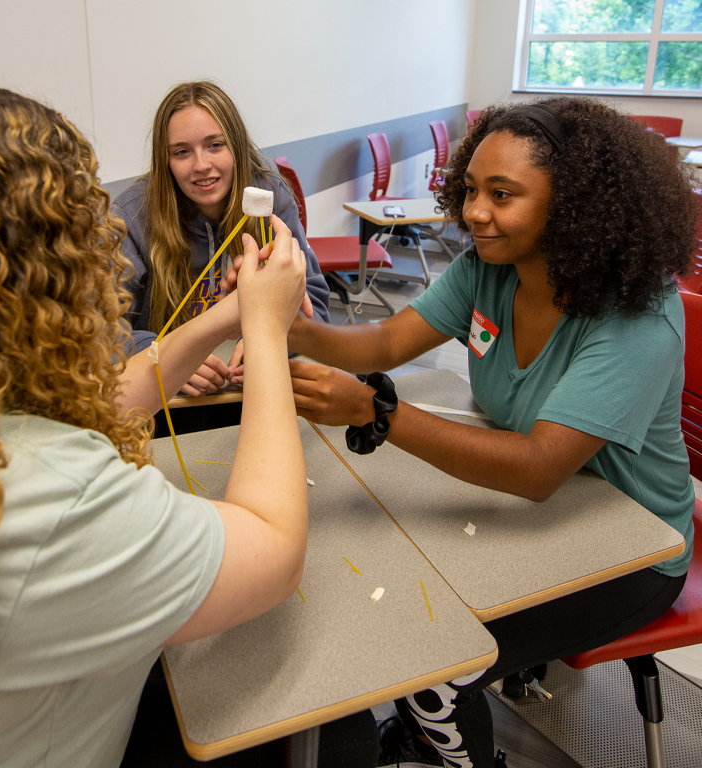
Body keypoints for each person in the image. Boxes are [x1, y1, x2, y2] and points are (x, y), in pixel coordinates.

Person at [0, 77, 378, 768]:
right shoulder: (58, 495)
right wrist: (261, 333)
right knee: (329, 724)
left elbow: (100, 400)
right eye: (86, 232)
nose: (107, 246)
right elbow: (272, 552)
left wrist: (228, 316)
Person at [285, 97, 698, 768]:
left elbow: (537, 467)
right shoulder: (489, 267)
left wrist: (374, 413)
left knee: (434, 667)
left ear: (573, 205)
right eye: (471, 188)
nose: (474, 211)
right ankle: (428, 740)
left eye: (501, 194)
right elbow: (390, 338)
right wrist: (295, 328)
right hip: (547, 512)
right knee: (388, 591)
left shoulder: (635, 318)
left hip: (634, 545)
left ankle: (453, 746)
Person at [111, 80, 331, 397]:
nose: (202, 166)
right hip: (170, 401)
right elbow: (97, 326)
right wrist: (161, 355)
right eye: (182, 152)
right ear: (166, 160)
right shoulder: (132, 217)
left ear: (236, 146)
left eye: (215, 145)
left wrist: (271, 340)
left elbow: (315, 301)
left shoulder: (272, 197)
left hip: (253, 389)